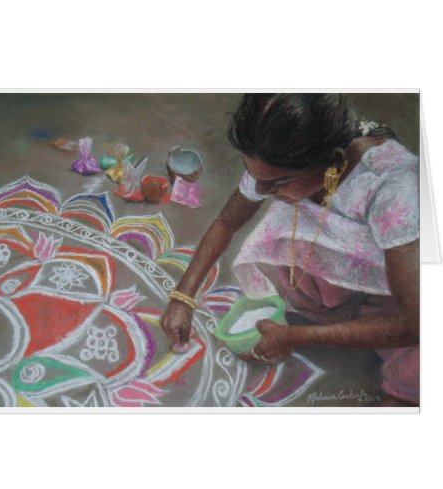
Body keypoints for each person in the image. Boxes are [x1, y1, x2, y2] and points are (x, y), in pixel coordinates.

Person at [160, 93, 419, 406]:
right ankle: (344, 316)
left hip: (409, 292)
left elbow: (416, 322)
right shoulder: (275, 164)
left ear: (335, 163)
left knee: (418, 371)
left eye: (278, 182)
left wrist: (297, 337)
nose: (261, 190)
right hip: (359, 263)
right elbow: (227, 222)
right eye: (255, 176)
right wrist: (183, 297)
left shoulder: (392, 185)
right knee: (293, 264)